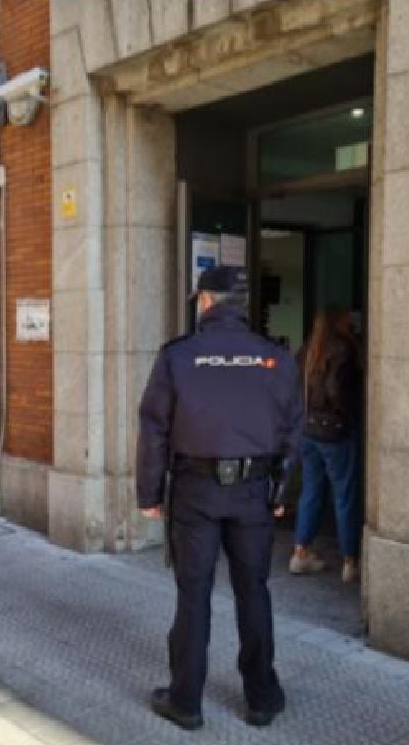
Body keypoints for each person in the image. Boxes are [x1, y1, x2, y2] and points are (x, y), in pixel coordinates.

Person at [136, 265, 302, 731]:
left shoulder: (178, 356)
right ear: (241, 306)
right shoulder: (275, 358)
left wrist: (149, 493)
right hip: (253, 493)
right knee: (254, 593)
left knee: (194, 595)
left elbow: (153, 429)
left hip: (196, 491)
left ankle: (186, 701)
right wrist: (279, 491)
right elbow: (293, 431)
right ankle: (262, 698)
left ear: (205, 301)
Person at [289, 309, 363, 584]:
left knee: (310, 491)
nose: (352, 323)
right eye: (347, 319)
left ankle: (300, 552)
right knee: (344, 496)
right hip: (334, 432)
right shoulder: (343, 349)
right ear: (338, 322)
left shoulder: (308, 349)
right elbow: (335, 389)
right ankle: (349, 561)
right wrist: (346, 414)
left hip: (308, 430)